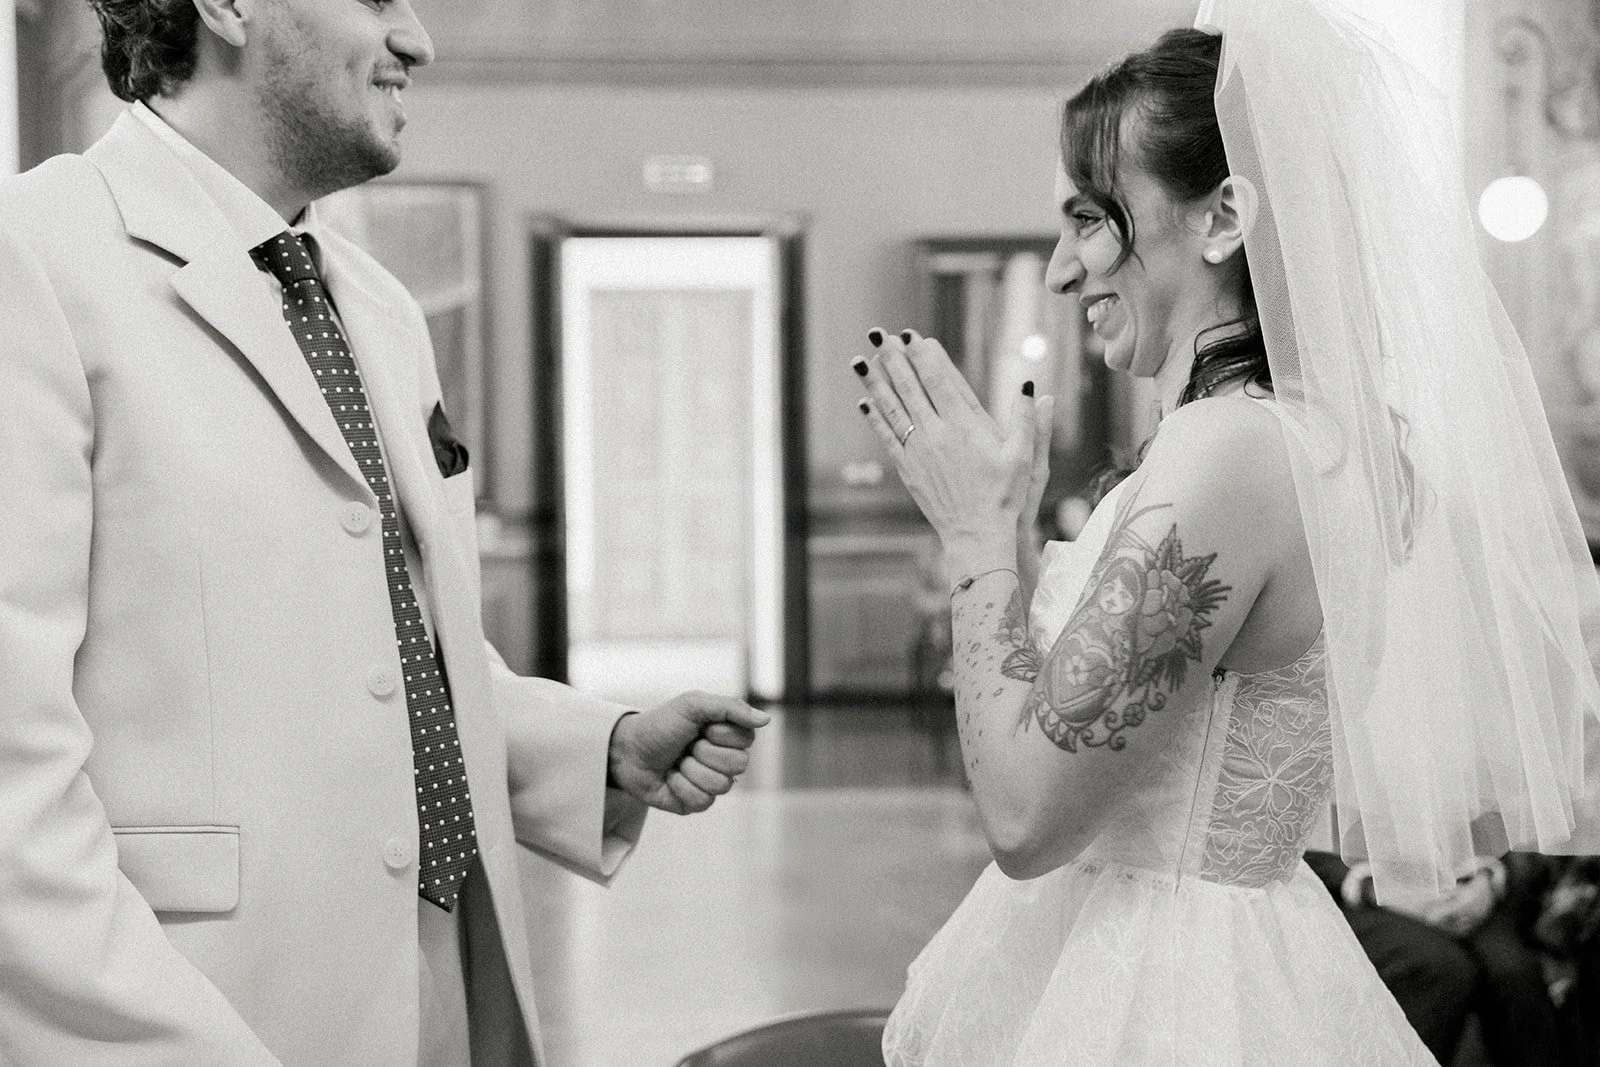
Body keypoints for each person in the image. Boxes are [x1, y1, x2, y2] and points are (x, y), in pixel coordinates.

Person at [0, 0, 769, 1062]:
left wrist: (595, 747)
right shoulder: (31, 260)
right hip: (207, 1012)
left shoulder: (373, 304)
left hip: (432, 983)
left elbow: (393, 650)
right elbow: (12, 790)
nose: (417, 39)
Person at [855, 0, 1600, 1062]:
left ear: (1223, 216)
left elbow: (1026, 816)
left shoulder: (1232, 450)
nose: (1062, 269)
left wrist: (974, 537)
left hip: (1169, 993)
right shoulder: (1306, 439)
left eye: (1090, 218)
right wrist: (1011, 528)